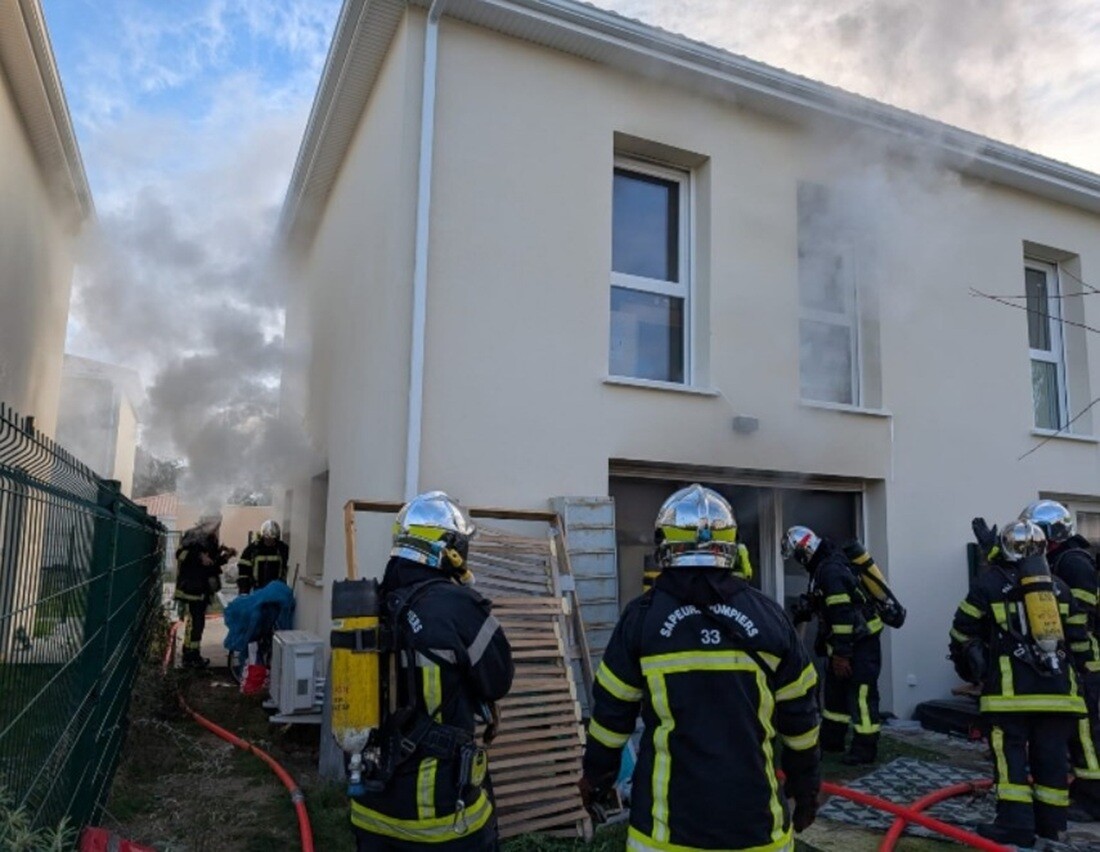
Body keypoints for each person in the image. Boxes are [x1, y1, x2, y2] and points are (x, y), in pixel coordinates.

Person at [580, 484, 821, 851]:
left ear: (664, 543)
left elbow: (611, 716)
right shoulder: (769, 616)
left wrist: (597, 778)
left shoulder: (642, 619)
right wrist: (805, 789)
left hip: (665, 835)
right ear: (731, 543)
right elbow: (801, 720)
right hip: (757, 831)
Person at [349, 491, 514, 851]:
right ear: (450, 547)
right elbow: (499, 679)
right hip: (441, 818)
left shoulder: (365, 607)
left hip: (369, 809)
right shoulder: (458, 607)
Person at [950, 519, 1088, 846]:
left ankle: (1015, 825)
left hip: (1010, 695)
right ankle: (1053, 826)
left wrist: (971, 666)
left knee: (1010, 755)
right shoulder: (1060, 587)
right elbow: (1080, 643)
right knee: (1052, 760)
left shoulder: (989, 584)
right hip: (1060, 694)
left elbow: (961, 631)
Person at [1018, 500, 1100, 822]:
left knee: (1085, 732)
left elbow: (1081, 613)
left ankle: (1093, 799)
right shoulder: (1054, 559)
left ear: (1052, 534)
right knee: (1073, 731)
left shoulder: (1074, 562)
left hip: (1085, 662)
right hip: (1068, 658)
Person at [782, 525, 883, 765]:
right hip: (845, 642)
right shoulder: (823, 565)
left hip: (860, 642)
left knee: (862, 695)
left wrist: (842, 654)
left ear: (803, 550)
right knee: (835, 693)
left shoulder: (830, 570)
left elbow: (842, 614)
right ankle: (832, 741)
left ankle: (864, 749)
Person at [173, 516, 237, 668]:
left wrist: (226, 556)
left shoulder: (211, 540)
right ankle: (189, 657)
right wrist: (198, 556)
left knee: (198, 623)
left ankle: (194, 654)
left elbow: (212, 563)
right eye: (216, 525)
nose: (217, 528)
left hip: (202, 588)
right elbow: (179, 555)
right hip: (191, 588)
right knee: (194, 623)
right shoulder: (192, 535)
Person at [236, 519, 290, 594]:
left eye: (272, 539)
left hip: (276, 591)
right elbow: (243, 571)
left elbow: (285, 569)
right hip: (257, 590)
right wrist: (244, 591)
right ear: (263, 536)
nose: (270, 541)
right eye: (267, 538)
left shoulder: (282, 549)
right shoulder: (252, 550)